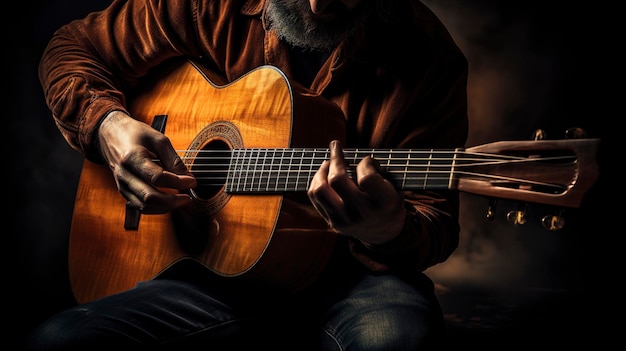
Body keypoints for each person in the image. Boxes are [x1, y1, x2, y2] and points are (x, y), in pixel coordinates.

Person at [27, 0, 468, 349]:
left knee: (400, 342)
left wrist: (388, 230)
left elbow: (435, 221)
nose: (317, 6)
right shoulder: (208, 4)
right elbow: (72, 47)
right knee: (60, 341)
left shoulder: (428, 57)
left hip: (357, 279)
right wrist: (109, 125)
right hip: (210, 272)